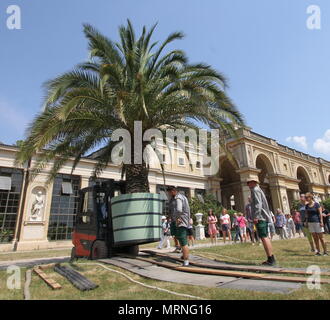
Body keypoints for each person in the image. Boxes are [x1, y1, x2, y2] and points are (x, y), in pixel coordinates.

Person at [247, 179, 276, 266]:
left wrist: (256, 216)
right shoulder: (258, 190)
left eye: (249, 183)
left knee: (264, 237)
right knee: (265, 237)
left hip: (260, 218)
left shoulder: (255, 190)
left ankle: (270, 259)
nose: (248, 185)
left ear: (254, 183)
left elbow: (258, 204)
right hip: (263, 217)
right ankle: (271, 258)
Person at [167, 186, 191, 266]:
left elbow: (179, 210)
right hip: (175, 221)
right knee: (178, 238)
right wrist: (169, 216)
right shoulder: (173, 199)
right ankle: (184, 255)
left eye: (169, 193)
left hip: (181, 222)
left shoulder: (179, 198)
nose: (169, 194)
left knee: (183, 241)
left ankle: (186, 260)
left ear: (173, 191)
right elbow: (172, 209)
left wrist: (178, 218)